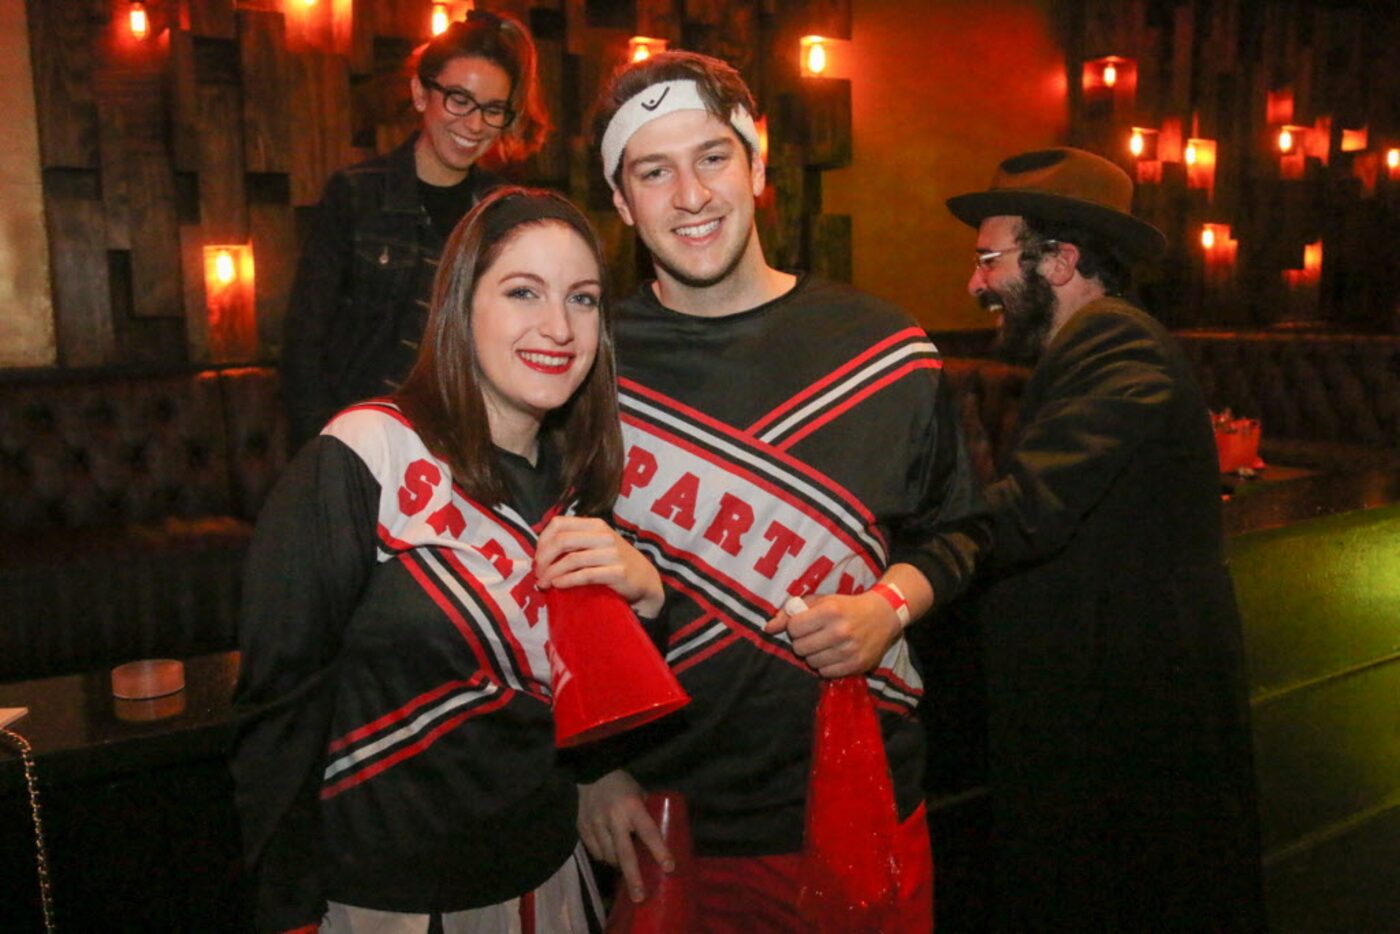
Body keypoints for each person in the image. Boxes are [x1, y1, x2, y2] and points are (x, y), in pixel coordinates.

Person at [577, 50, 987, 930]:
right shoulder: (582, 365)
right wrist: (589, 773)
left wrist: (889, 607)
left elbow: (962, 532)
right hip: (666, 820)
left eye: (712, 158)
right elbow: (534, 593)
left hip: (861, 800)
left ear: (759, 166)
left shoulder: (888, 352)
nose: (690, 195)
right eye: (654, 171)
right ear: (621, 201)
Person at [231, 188, 662, 933]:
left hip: (545, 882)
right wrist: (287, 909)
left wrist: (649, 600)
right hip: (382, 903)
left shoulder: (577, 478)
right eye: (522, 291)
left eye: (583, 299)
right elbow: (278, 712)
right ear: (461, 304)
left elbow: (578, 695)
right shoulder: (363, 456)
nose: (558, 327)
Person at [946, 147, 1266, 930]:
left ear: (1059, 261)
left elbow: (1031, 506)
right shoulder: (1087, 347)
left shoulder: (1116, 341)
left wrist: (916, 566)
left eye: (990, 259)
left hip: (1135, 739)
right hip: (1118, 730)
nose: (975, 283)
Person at [281, 9, 550, 448]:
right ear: (421, 94)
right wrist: (323, 453)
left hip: (461, 447)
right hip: (355, 439)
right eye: (459, 100)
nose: (475, 123)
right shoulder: (356, 194)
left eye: (492, 109)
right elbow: (304, 342)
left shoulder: (503, 213)